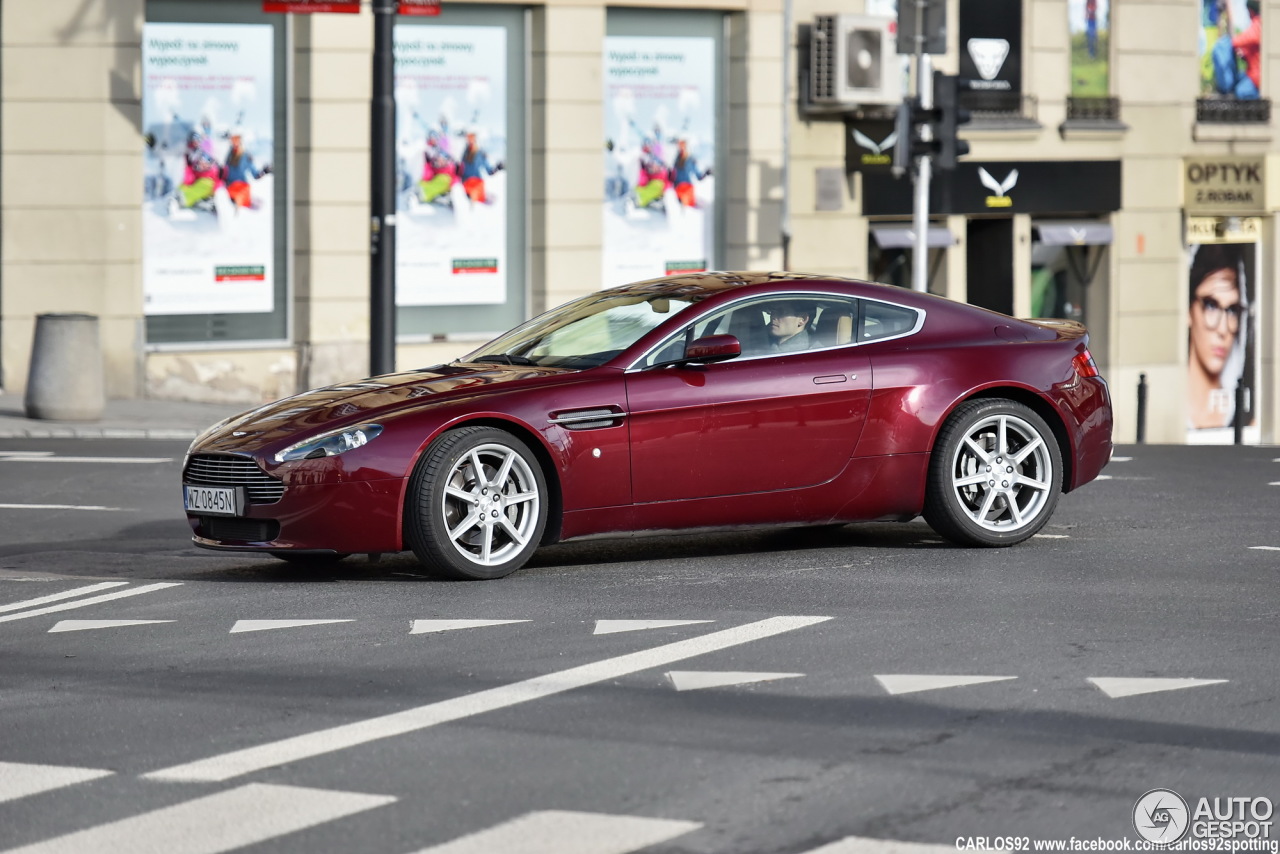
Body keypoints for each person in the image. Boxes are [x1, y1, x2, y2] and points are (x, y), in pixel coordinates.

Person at [1187, 243, 1249, 430]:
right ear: (1189, 310)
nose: (1222, 329)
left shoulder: (1247, 415)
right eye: (1211, 305)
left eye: (1232, 310)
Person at [1213, 0, 1261, 99]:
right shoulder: (1258, 24)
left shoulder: (1258, 24)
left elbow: (1238, 41)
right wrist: (1244, 53)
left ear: (1251, 11)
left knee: (1240, 92)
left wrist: (1228, 43)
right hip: (1253, 74)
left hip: (1256, 78)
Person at [222, 130, 270, 210]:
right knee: (224, 194)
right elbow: (225, 170)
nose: (234, 142)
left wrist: (264, 171)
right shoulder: (229, 154)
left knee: (238, 196)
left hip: (241, 186)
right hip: (229, 185)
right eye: (233, 139)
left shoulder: (246, 156)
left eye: (237, 139)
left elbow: (255, 174)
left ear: (240, 141)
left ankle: (234, 204)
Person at [459, 131, 503, 203]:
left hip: (477, 181)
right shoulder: (465, 153)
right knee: (466, 194)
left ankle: (473, 199)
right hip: (466, 181)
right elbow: (461, 168)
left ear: (476, 140)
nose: (470, 141)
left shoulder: (480, 154)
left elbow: (489, 171)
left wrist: (497, 168)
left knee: (475, 194)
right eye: (468, 138)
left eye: (472, 138)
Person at [671, 138, 711, 208]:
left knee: (684, 202)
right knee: (676, 201)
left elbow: (699, 177)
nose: (682, 148)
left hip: (688, 188)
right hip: (678, 187)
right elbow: (673, 176)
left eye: (683, 146)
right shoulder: (676, 160)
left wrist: (706, 173)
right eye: (680, 146)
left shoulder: (691, 160)